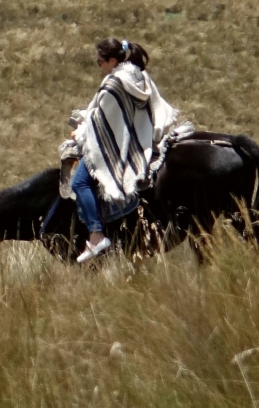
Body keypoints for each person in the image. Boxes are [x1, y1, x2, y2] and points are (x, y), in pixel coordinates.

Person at [64, 37, 182, 264]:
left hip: (120, 150)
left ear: (111, 60)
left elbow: (102, 126)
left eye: (100, 62)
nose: (99, 66)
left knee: (79, 182)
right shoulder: (139, 75)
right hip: (142, 139)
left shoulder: (114, 85)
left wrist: (80, 133)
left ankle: (97, 236)